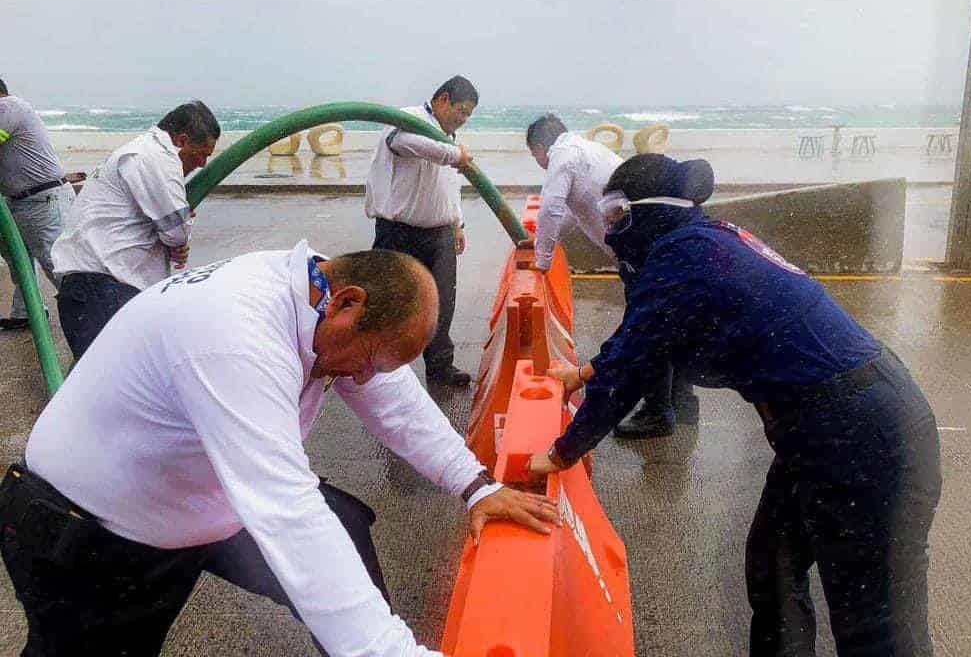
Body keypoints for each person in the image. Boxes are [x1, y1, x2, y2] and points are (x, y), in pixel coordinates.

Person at [1, 242, 558, 656]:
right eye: (370, 359)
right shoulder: (233, 334)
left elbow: (395, 398)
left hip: (196, 501)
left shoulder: (322, 296)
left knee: (342, 526)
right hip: (89, 531)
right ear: (348, 303)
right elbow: (285, 507)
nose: (364, 378)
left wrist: (476, 484)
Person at [528, 153, 942, 657]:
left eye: (617, 215)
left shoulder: (682, 258)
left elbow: (632, 369)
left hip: (859, 433)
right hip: (830, 424)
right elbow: (643, 336)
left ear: (649, 211)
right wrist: (582, 373)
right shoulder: (701, 241)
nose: (610, 229)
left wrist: (561, 453)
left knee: (876, 626)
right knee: (773, 562)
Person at [524, 114, 701, 437]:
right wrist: (542, 242)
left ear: (540, 147)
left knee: (649, 327)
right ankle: (682, 403)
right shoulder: (588, 152)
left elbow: (551, 207)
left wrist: (542, 259)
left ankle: (658, 413)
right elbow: (575, 214)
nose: (537, 162)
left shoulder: (562, 156)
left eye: (534, 156)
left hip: (639, 251)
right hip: (657, 242)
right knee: (672, 322)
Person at [51, 100, 219, 359]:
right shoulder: (153, 158)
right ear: (182, 140)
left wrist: (175, 228)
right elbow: (176, 232)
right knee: (112, 385)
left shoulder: (143, 152)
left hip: (102, 287)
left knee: (118, 381)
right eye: (202, 154)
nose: (203, 164)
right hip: (101, 287)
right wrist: (178, 232)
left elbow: (171, 227)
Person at [365, 75, 477, 386]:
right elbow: (403, 143)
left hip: (439, 234)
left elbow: (448, 183)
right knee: (388, 301)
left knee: (442, 302)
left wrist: (458, 223)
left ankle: (440, 368)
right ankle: (375, 369)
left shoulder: (446, 136)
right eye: (462, 111)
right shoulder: (407, 120)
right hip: (398, 232)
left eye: (469, 115)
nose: (464, 120)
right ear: (443, 100)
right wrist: (454, 155)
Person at [0, 78, 76, 331]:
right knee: (18, 258)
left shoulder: (10, 107)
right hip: (19, 201)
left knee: (56, 263)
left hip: (42, 199)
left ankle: (88, 314)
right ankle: (26, 312)